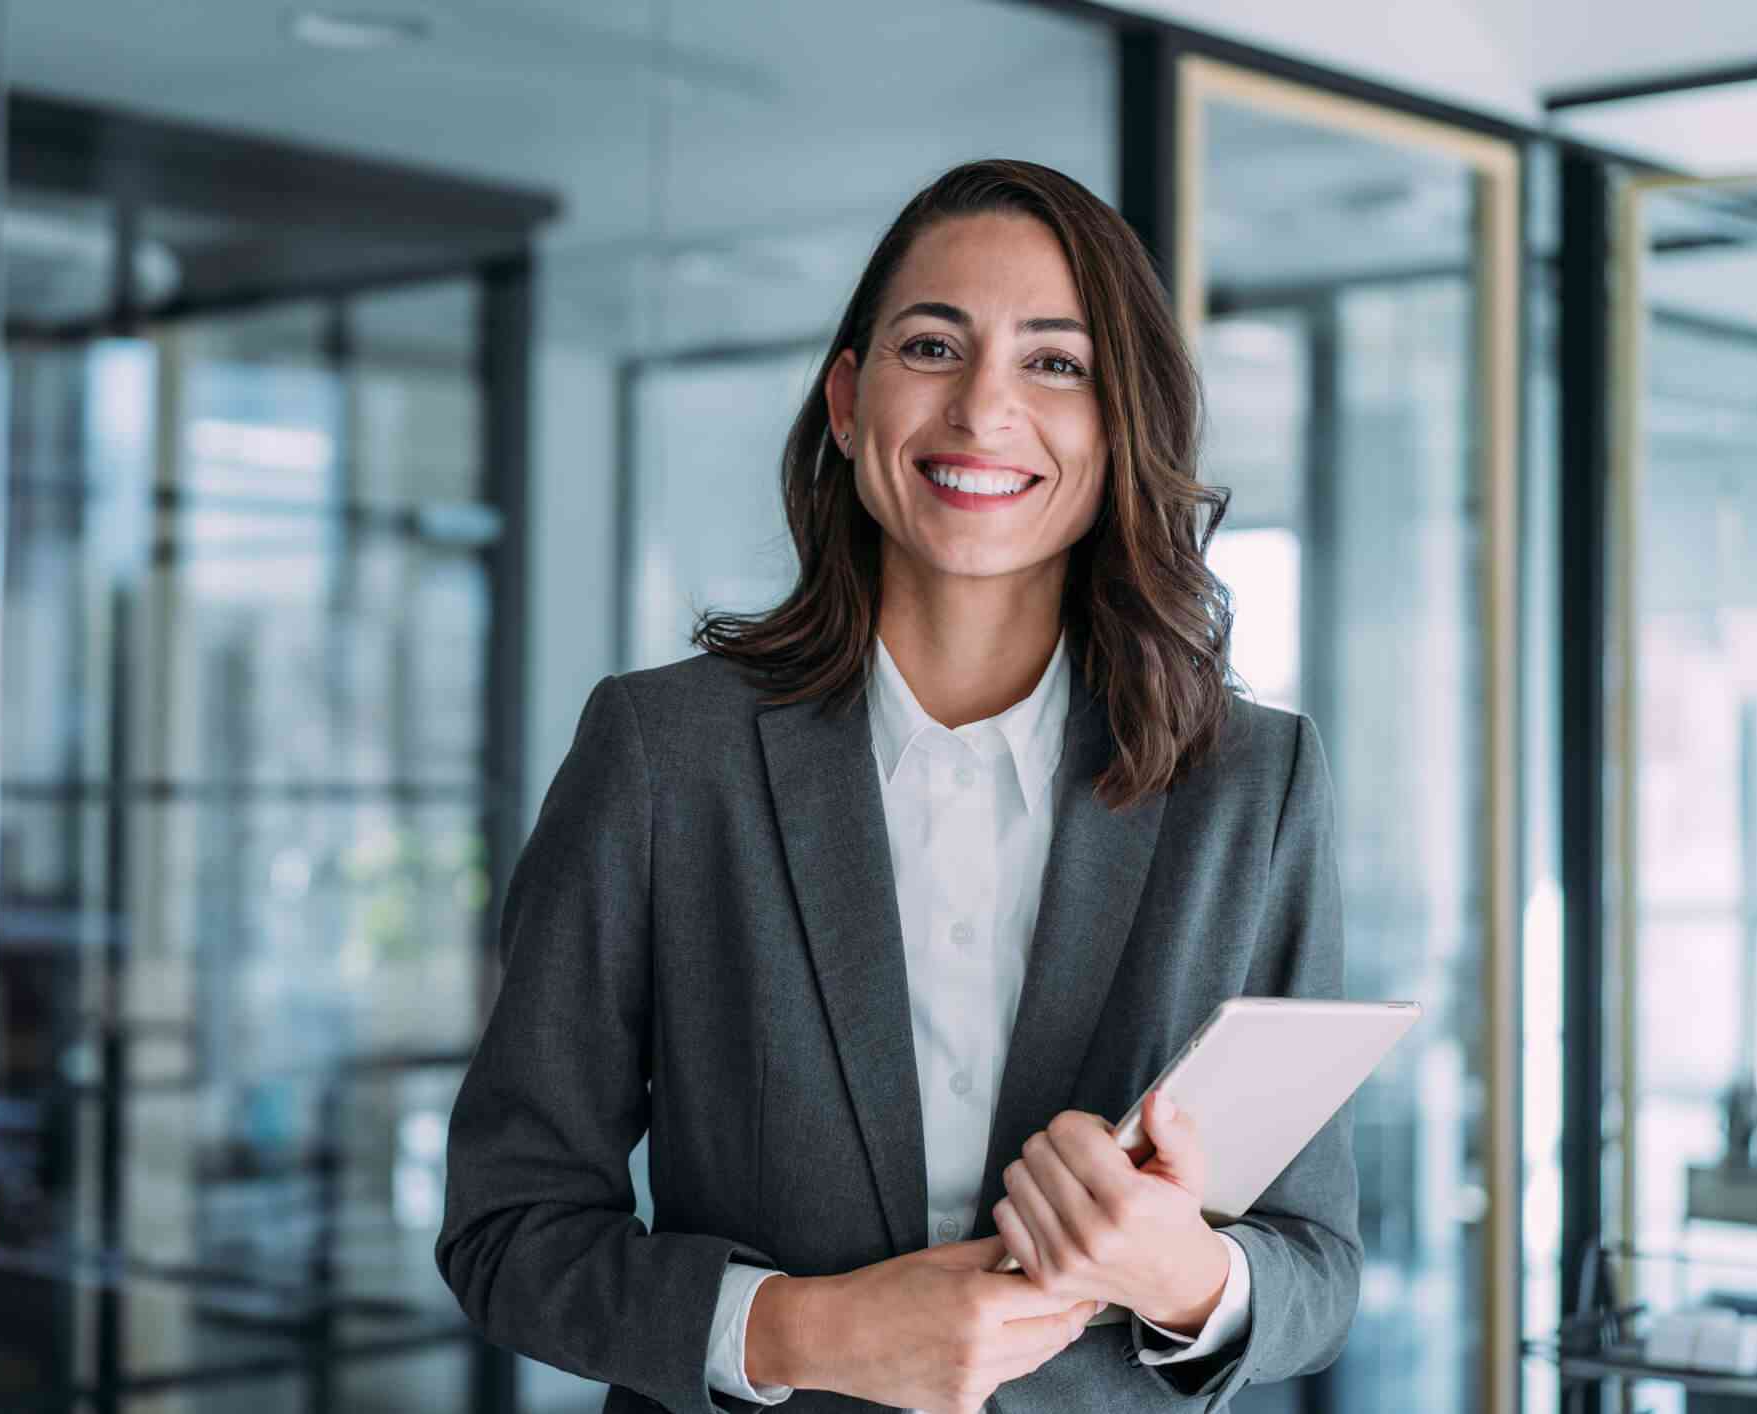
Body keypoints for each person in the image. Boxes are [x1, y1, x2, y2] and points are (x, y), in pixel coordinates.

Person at [435, 158, 1359, 1414]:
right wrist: (797, 1332)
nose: (983, 410)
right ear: (847, 397)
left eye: (1055, 362)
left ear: (1118, 422)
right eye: (934, 346)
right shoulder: (662, 753)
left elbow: (1318, 1266)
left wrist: (1189, 1274)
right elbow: (509, 1229)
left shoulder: (1252, 784)